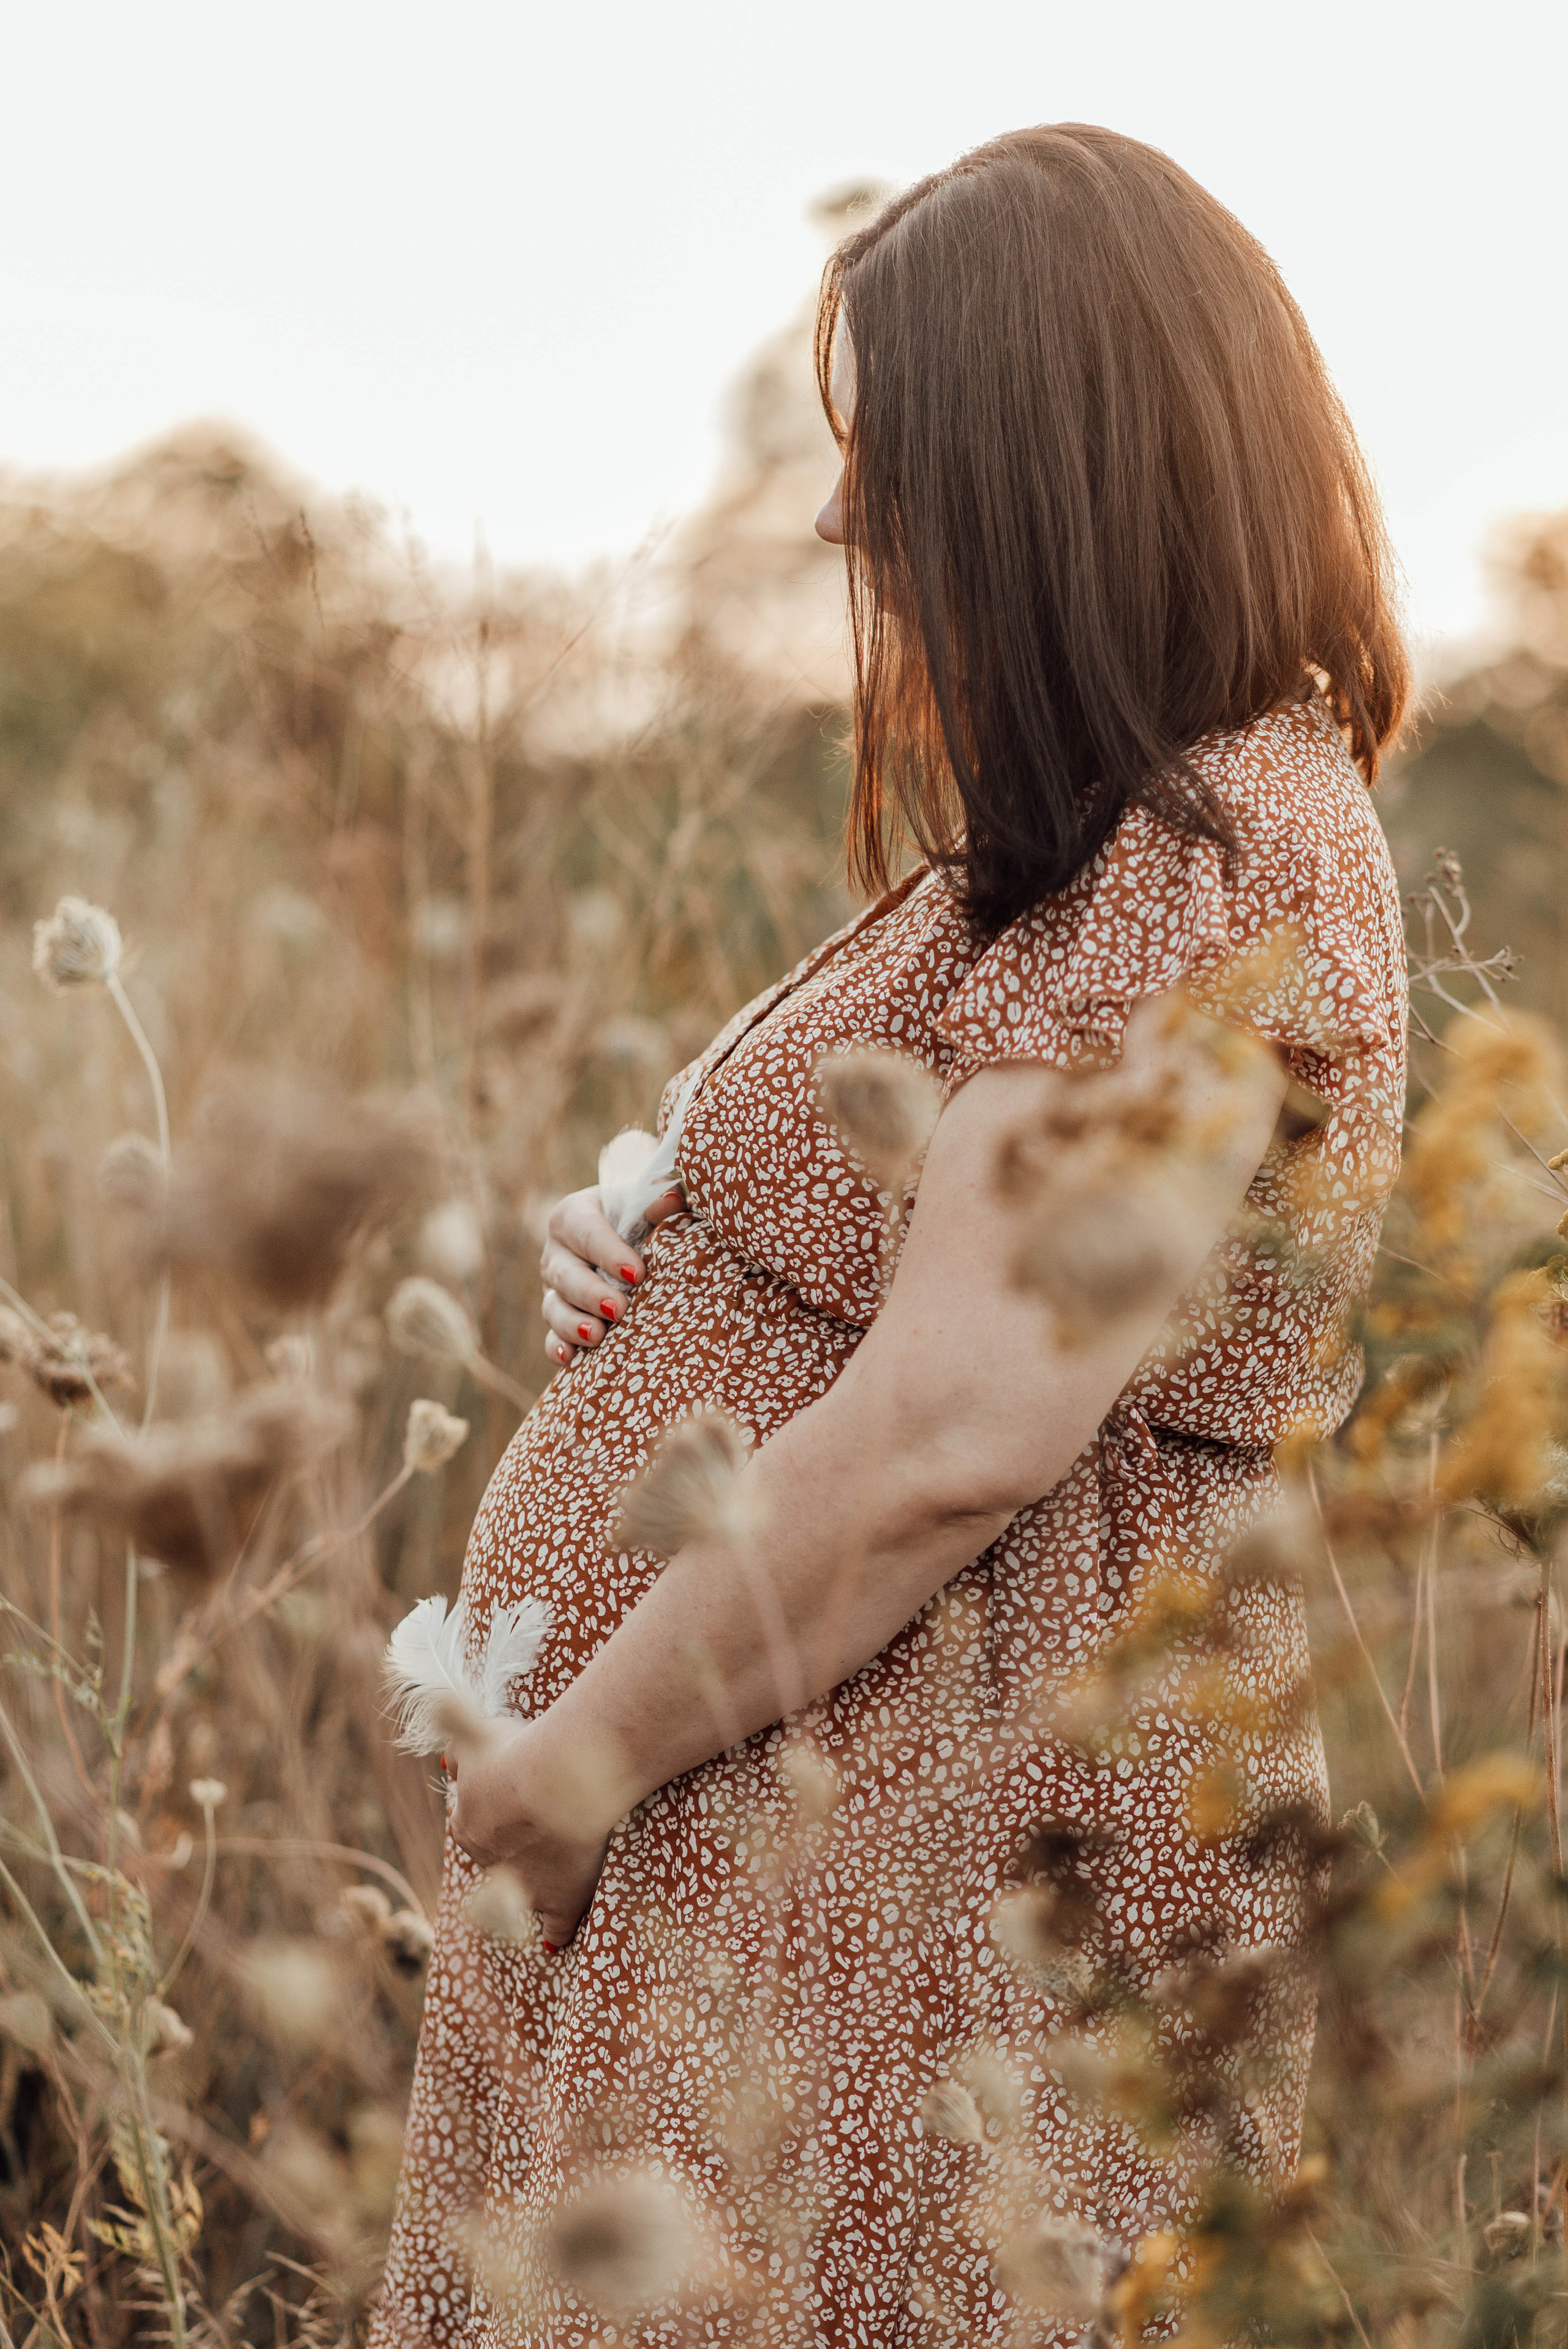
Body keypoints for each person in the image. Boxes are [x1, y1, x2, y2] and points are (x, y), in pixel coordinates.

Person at [374, 123, 1408, 2347]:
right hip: (814, 1853)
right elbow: (894, 1273)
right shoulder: (1113, 844)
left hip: (927, 1898)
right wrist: (658, 1247)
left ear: (1055, 471)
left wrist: (574, 1767)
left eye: (900, 459)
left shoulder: (1197, 874)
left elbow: (956, 1424)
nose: (850, 520)